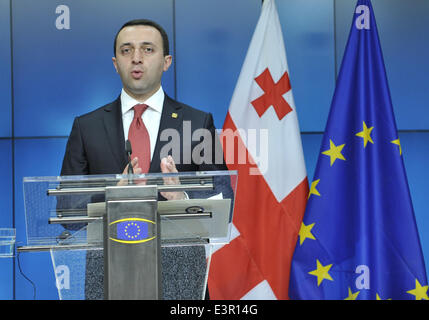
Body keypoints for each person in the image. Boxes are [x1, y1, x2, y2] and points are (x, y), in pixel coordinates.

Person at [60, 19, 228, 300]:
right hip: (109, 278)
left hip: (181, 278)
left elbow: (223, 200)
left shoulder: (197, 122)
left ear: (166, 61)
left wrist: (180, 196)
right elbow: (67, 210)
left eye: (147, 49)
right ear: (115, 63)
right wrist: (112, 194)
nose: (136, 58)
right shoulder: (85, 127)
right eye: (126, 51)